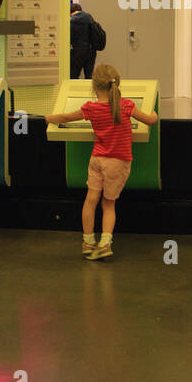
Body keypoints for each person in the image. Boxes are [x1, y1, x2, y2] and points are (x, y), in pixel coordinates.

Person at [45, 63, 157, 261]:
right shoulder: (126, 105)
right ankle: (105, 244)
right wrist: (155, 115)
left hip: (97, 159)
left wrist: (48, 117)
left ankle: (88, 242)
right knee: (108, 204)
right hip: (118, 162)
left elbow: (66, 117)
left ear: (94, 86)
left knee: (90, 200)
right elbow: (149, 120)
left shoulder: (90, 108)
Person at [69, 1, 104, 79]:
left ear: (71, 12)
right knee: (89, 76)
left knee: (73, 76)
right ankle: (90, 91)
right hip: (91, 51)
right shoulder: (89, 17)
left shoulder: (71, 21)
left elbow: (69, 39)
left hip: (77, 51)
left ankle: (75, 90)